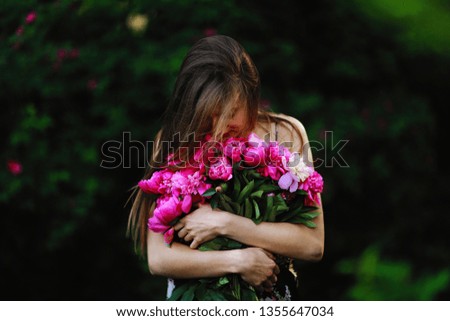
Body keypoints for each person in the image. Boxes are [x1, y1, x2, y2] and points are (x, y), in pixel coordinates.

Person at [128, 35, 324, 300]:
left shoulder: (285, 133)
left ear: (251, 99)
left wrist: (224, 223)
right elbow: (159, 257)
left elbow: (312, 244)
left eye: (231, 111)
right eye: (209, 112)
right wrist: (238, 261)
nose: (219, 124)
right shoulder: (174, 139)